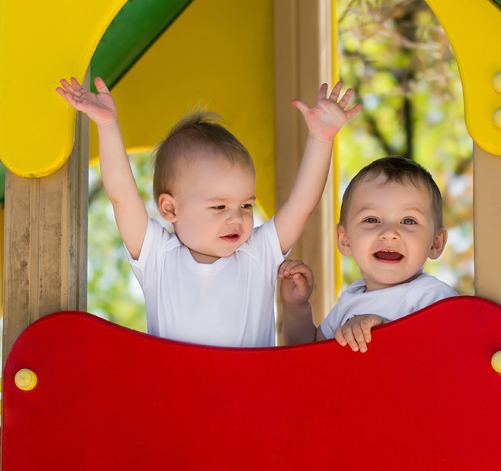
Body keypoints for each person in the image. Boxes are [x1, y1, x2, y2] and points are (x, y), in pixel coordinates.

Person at [56, 76, 360, 348]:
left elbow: (302, 204)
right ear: (170, 208)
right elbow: (122, 196)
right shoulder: (157, 257)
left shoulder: (258, 253)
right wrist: (107, 126)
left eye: (246, 205)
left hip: (245, 404)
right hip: (179, 406)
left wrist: (322, 138)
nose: (237, 217)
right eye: (219, 206)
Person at [279, 155, 458, 353]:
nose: (389, 233)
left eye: (408, 221)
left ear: (435, 243)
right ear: (345, 240)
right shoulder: (349, 301)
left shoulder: (431, 296)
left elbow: (450, 354)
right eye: (371, 219)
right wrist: (296, 307)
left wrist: (385, 329)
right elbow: (306, 353)